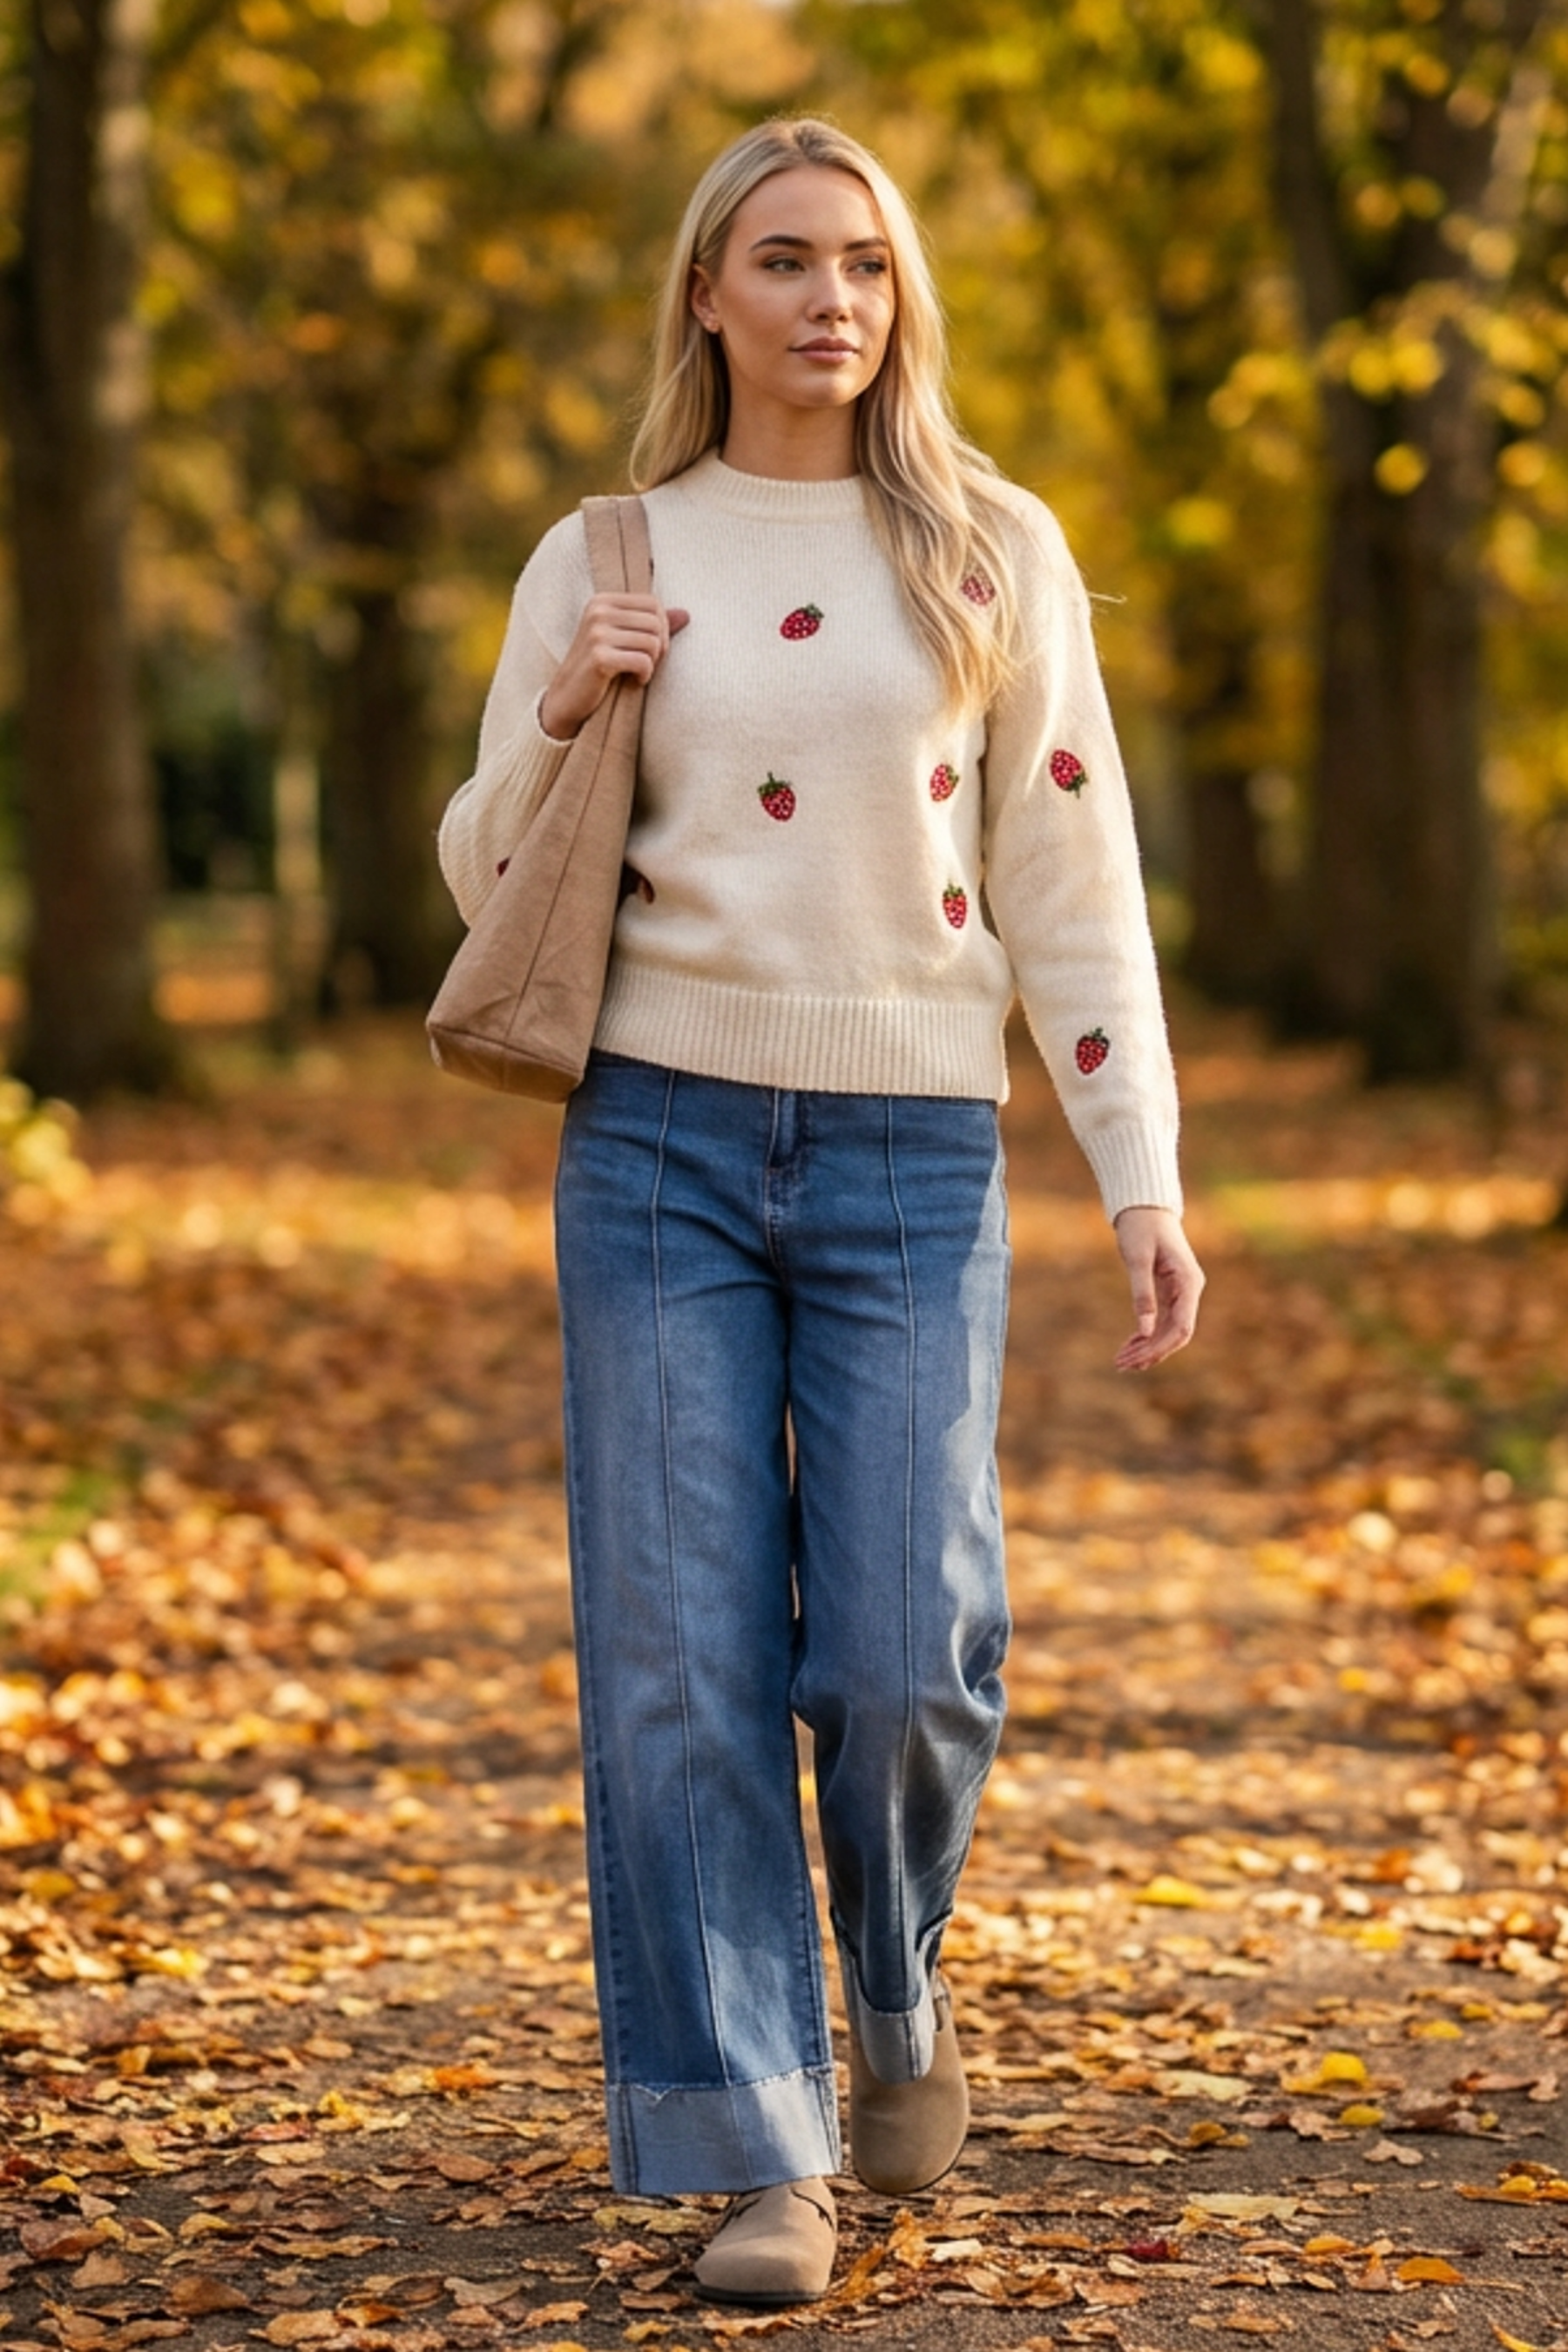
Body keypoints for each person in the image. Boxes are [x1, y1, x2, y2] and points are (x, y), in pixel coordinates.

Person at [437, 115, 1204, 2308]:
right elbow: (488, 875)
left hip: (908, 1153)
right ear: (707, 294)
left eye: (863, 263)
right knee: (680, 1667)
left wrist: (1136, 1172)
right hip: (659, 1142)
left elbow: (1073, 877)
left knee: (900, 1656)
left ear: (902, 298)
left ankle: (892, 1976)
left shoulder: (988, 549)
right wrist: (577, 696)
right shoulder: (601, 555)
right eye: (781, 261)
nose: (829, 301)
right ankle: (759, 2145)